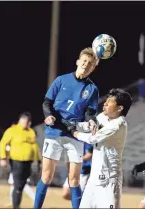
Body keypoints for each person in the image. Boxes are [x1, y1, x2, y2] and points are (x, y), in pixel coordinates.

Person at [34, 47, 99, 209]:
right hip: (54, 132)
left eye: (90, 64)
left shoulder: (92, 89)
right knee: (47, 176)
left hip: (74, 136)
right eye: (84, 61)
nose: (86, 65)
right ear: (78, 61)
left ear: (93, 68)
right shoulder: (61, 80)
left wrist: (91, 121)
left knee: (74, 180)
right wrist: (48, 114)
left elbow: (90, 113)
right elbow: (47, 102)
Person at [62, 88, 133, 208]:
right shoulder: (102, 117)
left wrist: (74, 132)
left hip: (109, 181)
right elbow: (88, 126)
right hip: (93, 180)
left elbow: (93, 138)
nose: (104, 103)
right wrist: (70, 124)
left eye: (109, 102)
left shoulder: (118, 124)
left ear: (120, 108)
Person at [0, 112, 41, 209]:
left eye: (29, 122)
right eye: (26, 122)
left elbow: (35, 147)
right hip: (16, 161)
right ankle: (16, 206)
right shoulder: (12, 130)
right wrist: (3, 158)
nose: (28, 124)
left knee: (21, 185)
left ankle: (16, 203)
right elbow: (3, 143)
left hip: (28, 162)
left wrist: (39, 161)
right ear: (21, 120)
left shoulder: (31, 131)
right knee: (18, 185)